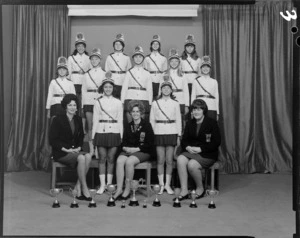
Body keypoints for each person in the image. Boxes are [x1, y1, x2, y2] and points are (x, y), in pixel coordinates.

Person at [175, 99, 221, 201]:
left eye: (199, 109)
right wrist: (187, 147)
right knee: (180, 159)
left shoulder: (212, 123)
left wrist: (201, 149)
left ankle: (200, 188)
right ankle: (184, 190)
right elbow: (184, 140)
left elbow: (217, 142)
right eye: (194, 109)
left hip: (207, 154)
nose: (196, 112)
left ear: (204, 111)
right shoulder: (189, 123)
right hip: (191, 152)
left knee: (192, 164)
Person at [49, 94, 92, 201]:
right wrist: (66, 149)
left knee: (88, 156)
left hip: (74, 150)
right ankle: (84, 188)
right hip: (61, 152)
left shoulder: (78, 119)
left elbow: (81, 136)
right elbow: (53, 140)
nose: (72, 107)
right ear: (65, 106)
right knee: (82, 158)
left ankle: (78, 186)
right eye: (70, 105)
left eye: (74, 105)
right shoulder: (57, 119)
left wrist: (78, 148)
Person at [113, 100, 155, 200]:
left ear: (141, 113)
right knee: (119, 161)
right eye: (133, 111)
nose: (135, 113)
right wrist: (125, 148)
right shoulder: (128, 125)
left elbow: (150, 144)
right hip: (129, 151)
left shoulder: (147, 125)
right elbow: (124, 142)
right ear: (130, 113)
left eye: (137, 111)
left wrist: (136, 149)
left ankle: (127, 190)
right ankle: (119, 189)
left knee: (129, 161)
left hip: (143, 151)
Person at [92, 72, 123, 195]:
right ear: (102, 88)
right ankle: (102, 185)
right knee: (102, 159)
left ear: (113, 88)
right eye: (105, 87)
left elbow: (120, 120)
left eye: (110, 87)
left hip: (114, 131)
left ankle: (109, 185)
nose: (108, 89)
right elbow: (95, 120)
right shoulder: (97, 102)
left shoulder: (118, 102)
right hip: (101, 131)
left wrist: (121, 135)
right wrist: (94, 137)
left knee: (111, 159)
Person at [150, 80, 182, 195]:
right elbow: (152, 120)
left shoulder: (175, 103)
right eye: (164, 88)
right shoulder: (155, 103)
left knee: (169, 160)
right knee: (160, 160)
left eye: (168, 88)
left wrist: (178, 135)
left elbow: (178, 119)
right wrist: (153, 134)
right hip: (158, 132)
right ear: (161, 90)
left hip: (171, 131)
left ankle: (167, 184)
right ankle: (161, 185)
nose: (166, 90)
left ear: (171, 90)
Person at [82, 48, 105, 157]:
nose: (94, 61)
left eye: (96, 59)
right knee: (90, 125)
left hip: (99, 100)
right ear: (90, 60)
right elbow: (83, 90)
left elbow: (106, 89)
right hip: (88, 100)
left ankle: (98, 148)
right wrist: (83, 104)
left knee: (99, 125)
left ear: (100, 60)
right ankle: (92, 149)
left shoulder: (104, 73)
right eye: (92, 59)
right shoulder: (86, 74)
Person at [159, 48, 189, 131]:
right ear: (169, 62)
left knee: (181, 122)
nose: (174, 63)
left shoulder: (183, 75)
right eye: (172, 61)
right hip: (168, 99)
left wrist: (186, 105)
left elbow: (186, 91)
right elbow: (160, 89)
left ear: (179, 62)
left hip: (181, 100)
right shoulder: (164, 74)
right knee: (170, 119)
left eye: (176, 61)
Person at [121, 46, 153, 123]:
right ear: (133, 58)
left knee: (141, 124)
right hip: (130, 98)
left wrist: (150, 103)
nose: (138, 59)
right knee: (129, 123)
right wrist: (122, 101)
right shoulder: (129, 72)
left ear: (143, 58)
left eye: (140, 57)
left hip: (143, 98)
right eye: (136, 57)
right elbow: (124, 88)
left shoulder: (147, 73)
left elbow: (149, 89)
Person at [68, 32, 91, 131]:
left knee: (83, 106)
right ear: (76, 47)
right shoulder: (71, 58)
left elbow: (90, 72)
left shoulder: (89, 58)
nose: (80, 48)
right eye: (78, 46)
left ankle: (82, 128)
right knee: (74, 105)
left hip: (85, 84)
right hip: (74, 83)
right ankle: (74, 126)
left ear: (84, 47)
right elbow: (68, 72)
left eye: (82, 46)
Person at [191, 56, 219, 120]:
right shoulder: (196, 81)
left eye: (207, 67)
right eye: (203, 67)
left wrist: (217, 112)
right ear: (201, 69)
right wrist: (192, 111)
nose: (205, 69)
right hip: (199, 107)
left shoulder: (214, 81)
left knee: (211, 128)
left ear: (210, 69)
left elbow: (216, 97)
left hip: (212, 107)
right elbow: (193, 96)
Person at [105, 33, 132, 99]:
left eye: (120, 44)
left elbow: (129, 71)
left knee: (122, 99)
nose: (118, 46)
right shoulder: (109, 57)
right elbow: (106, 70)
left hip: (123, 81)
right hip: (112, 81)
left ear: (123, 46)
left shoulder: (126, 57)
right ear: (113, 46)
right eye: (116, 44)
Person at [143, 35, 167, 99]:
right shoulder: (147, 58)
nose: (155, 45)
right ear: (151, 45)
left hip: (160, 79)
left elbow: (165, 71)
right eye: (153, 44)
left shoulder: (163, 58)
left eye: (157, 44)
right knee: (149, 96)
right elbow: (145, 71)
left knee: (159, 97)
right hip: (150, 78)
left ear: (159, 46)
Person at [180, 34, 201, 100]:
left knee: (193, 99)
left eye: (191, 47)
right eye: (188, 46)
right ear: (185, 47)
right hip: (184, 80)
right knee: (184, 98)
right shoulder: (181, 59)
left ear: (194, 48)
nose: (189, 48)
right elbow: (179, 71)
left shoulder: (198, 59)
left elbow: (200, 73)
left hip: (194, 81)